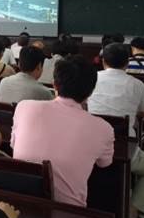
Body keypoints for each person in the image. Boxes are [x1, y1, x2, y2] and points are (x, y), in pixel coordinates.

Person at [11, 55, 114, 207]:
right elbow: (105, 164)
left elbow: (14, 145)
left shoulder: (24, 107)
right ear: (91, 92)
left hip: (19, 201)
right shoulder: (103, 128)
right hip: (68, 211)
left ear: (54, 85)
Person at [88, 43, 144, 218]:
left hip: (88, 143)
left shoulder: (90, 78)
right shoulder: (136, 84)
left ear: (103, 61)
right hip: (121, 147)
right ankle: (131, 212)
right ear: (127, 63)